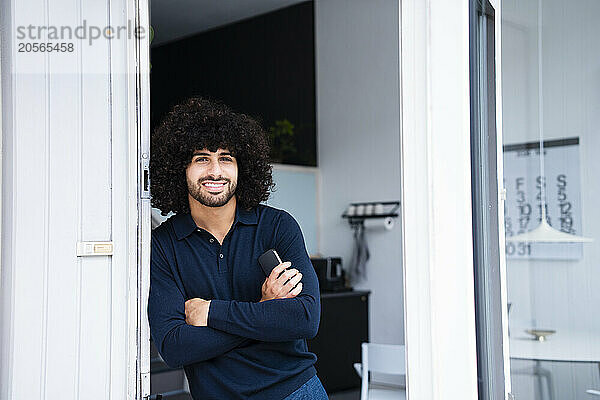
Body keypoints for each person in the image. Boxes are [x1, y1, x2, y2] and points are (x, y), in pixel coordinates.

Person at [148, 97, 329, 400]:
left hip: (296, 392)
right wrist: (262, 309)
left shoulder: (277, 226)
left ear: (242, 167)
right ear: (182, 168)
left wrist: (210, 313)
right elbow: (174, 347)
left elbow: (304, 318)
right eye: (202, 158)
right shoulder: (164, 244)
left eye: (226, 158)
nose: (215, 172)